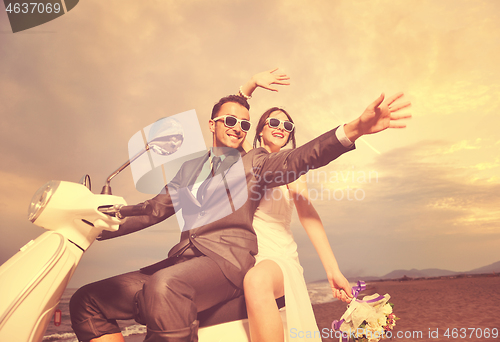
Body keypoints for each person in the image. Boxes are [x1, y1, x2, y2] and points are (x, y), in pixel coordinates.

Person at [70, 69, 411, 342]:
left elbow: (301, 157)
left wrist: (354, 130)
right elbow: (152, 209)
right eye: (230, 121)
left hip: (230, 260)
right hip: (185, 258)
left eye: (243, 124)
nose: (237, 127)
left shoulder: (256, 162)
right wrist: (93, 223)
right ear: (212, 124)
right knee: (86, 300)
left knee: (166, 287)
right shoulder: (190, 168)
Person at [240, 105, 351, 342]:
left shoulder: (293, 172)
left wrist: (333, 271)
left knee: (256, 280)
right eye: (274, 122)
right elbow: (232, 119)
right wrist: (248, 87)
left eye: (287, 126)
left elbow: (309, 216)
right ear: (259, 130)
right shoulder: (247, 161)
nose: (281, 128)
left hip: (278, 255)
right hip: (246, 254)